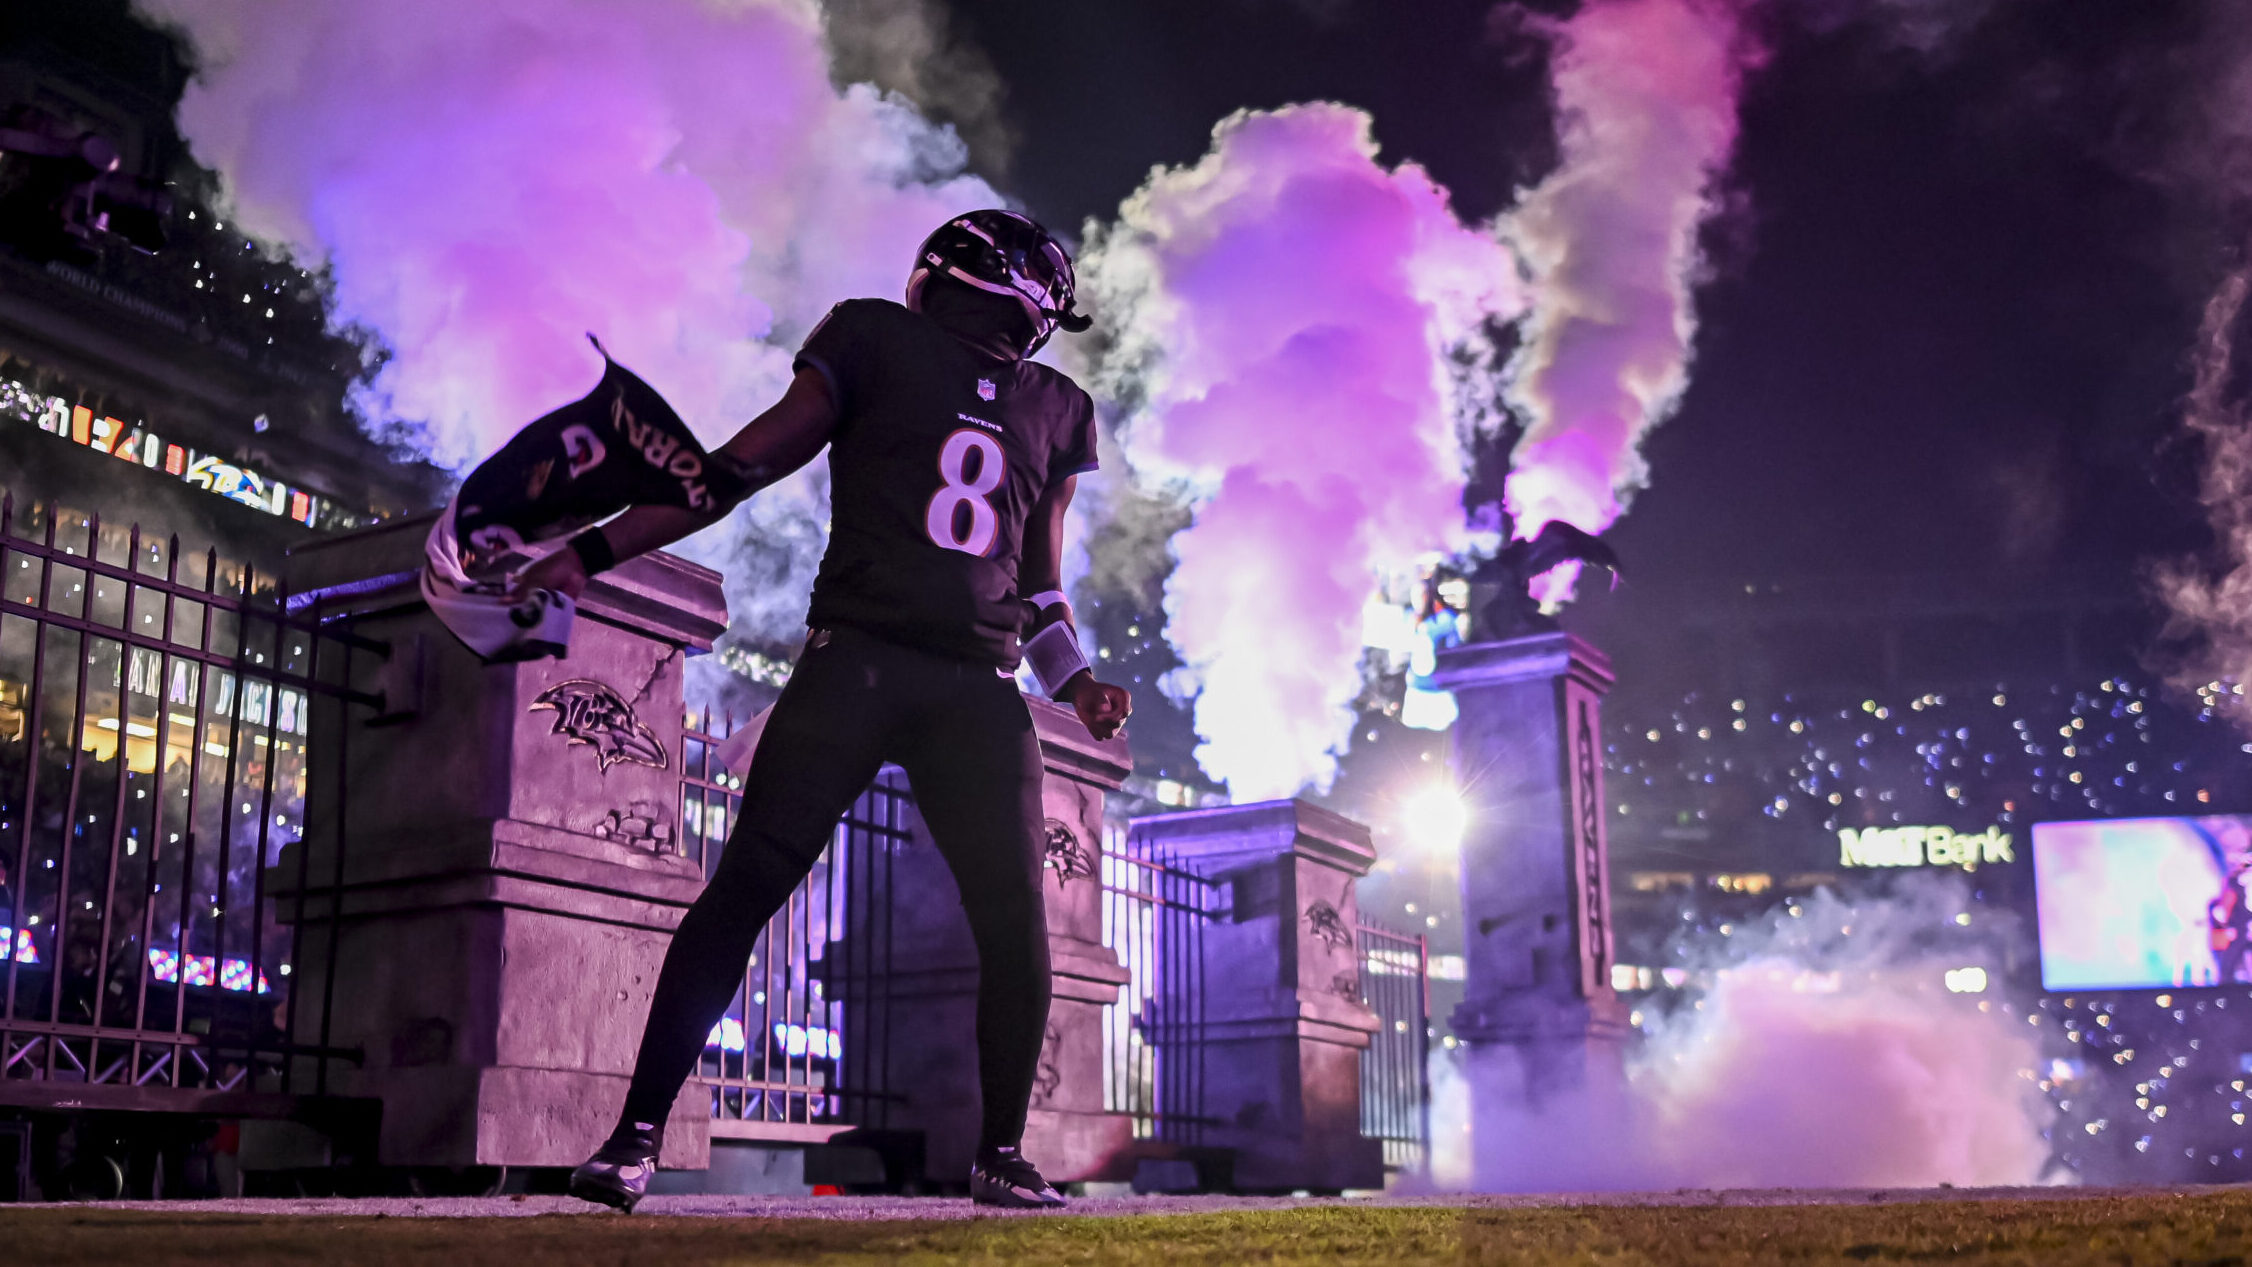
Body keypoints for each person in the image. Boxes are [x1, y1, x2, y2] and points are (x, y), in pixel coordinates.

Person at [516, 210, 1132, 1212]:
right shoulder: (885, 345)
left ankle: (1002, 1153)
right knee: (749, 884)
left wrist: (1073, 682)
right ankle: (632, 1133)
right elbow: (737, 467)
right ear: (1025, 287)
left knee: (1015, 925)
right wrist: (587, 552)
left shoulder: (1045, 403)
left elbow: (1037, 585)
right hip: (869, 656)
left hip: (962, 681)